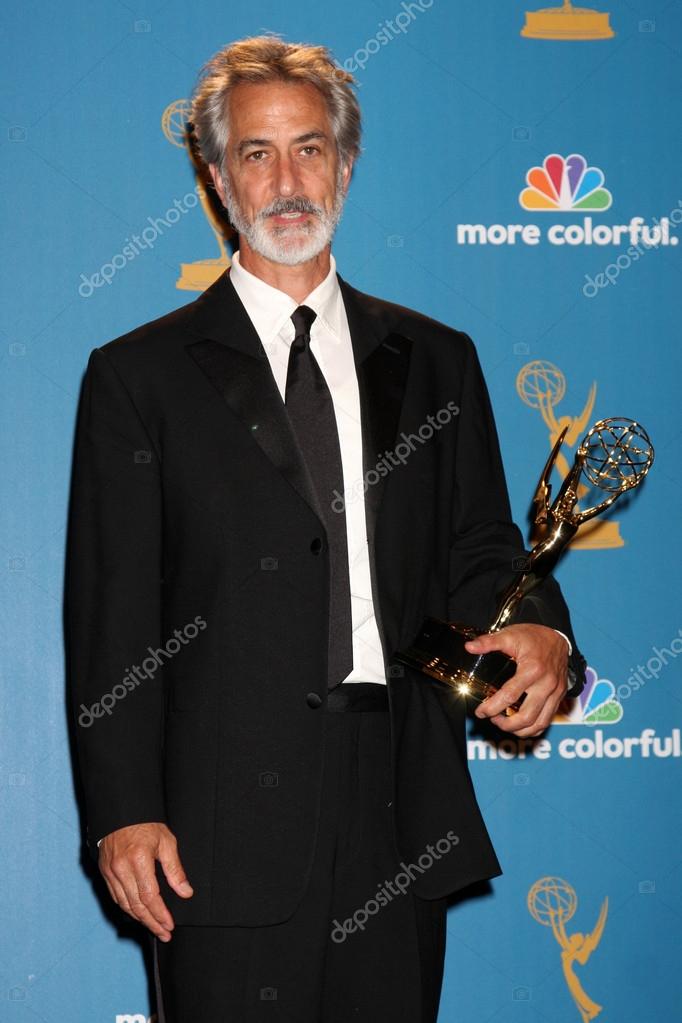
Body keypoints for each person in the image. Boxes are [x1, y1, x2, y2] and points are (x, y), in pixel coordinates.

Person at [65, 35, 586, 1022]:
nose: (287, 180)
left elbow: (481, 546)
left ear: (345, 164)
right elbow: (112, 613)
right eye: (256, 153)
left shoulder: (436, 358)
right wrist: (123, 812)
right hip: (216, 826)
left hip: (399, 806)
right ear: (218, 179)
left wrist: (541, 629)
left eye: (309, 148)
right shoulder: (139, 378)